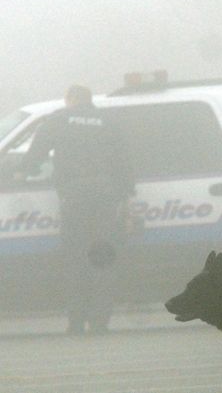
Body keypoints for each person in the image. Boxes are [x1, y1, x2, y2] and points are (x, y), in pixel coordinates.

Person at [16, 85, 135, 334]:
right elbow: (125, 161)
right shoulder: (109, 121)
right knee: (102, 260)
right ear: (89, 101)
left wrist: (22, 171)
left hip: (74, 201)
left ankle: (76, 322)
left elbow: (35, 155)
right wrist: (126, 196)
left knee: (75, 260)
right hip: (105, 200)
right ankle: (100, 322)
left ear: (69, 99)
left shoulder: (58, 119)